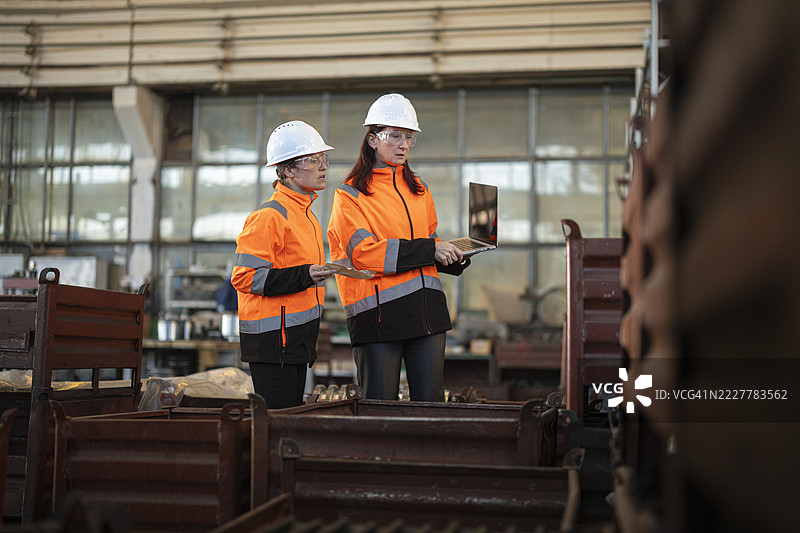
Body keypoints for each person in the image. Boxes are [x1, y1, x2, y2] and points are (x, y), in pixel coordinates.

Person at [327, 93, 469, 402]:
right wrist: (430, 250)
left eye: (409, 137)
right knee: (380, 408)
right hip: (378, 317)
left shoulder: (420, 190)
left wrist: (453, 255)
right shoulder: (349, 196)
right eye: (395, 136)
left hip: (428, 314)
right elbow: (364, 255)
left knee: (431, 408)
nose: (403, 144)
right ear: (373, 139)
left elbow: (429, 242)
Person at [231, 120, 336, 408]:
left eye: (323, 158)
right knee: (277, 423)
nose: (323, 167)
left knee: (288, 421)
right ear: (288, 170)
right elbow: (245, 277)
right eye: (312, 160)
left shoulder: (307, 216)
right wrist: (306, 274)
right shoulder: (270, 216)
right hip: (273, 343)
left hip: (295, 340)